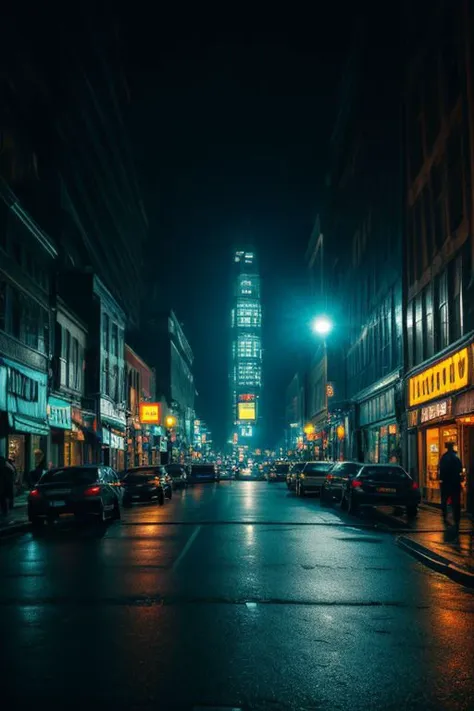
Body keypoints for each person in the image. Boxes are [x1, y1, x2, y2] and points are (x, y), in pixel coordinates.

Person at [439, 442, 463, 533]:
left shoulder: (444, 457)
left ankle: (445, 515)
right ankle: (457, 519)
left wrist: (441, 479)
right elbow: (460, 468)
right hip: (455, 482)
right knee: (456, 501)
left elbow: (441, 469)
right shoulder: (456, 457)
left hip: (446, 483)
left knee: (444, 500)